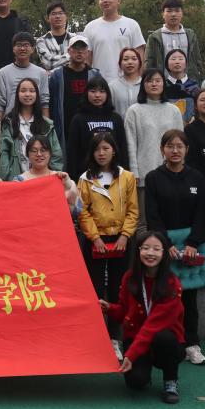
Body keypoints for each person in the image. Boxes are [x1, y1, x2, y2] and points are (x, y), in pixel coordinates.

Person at [144, 129, 205, 366]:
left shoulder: (197, 177)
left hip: (191, 245)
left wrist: (193, 243)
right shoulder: (153, 178)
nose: (175, 151)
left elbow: (201, 213)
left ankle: (192, 344)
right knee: (163, 296)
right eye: (170, 146)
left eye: (179, 146)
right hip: (163, 246)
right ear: (162, 149)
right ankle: (166, 343)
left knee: (189, 299)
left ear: (187, 150)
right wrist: (166, 244)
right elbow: (152, 215)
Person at [98, 229, 185, 404]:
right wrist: (109, 309)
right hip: (137, 336)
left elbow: (153, 326)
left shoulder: (172, 283)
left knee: (164, 338)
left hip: (163, 340)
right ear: (138, 251)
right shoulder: (129, 277)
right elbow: (124, 311)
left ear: (164, 253)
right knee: (136, 382)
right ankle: (145, 368)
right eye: (145, 248)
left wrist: (130, 355)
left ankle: (170, 381)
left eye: (156, 249)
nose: (150, 253)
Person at [77, 132, 138, 359]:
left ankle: (115, 338)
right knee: (93, 289)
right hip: (96, 241)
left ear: (114, 150)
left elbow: (133, 210)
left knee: (117, 290)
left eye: (105, 148)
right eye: (97, 149)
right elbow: (82, 212)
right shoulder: (85, 179)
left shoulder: (127, 177)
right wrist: (95, 238)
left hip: (121, 240)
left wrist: (125, 236)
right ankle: (93, 338)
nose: (101, 153)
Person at [124, 69, 184, 186]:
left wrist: (181, 167)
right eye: (149, 81)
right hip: (143, 173)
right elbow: (130, 144)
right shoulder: (134, 111)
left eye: (158, 80)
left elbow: (181, 143)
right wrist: (134, 171)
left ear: (164, 84)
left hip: (171, 172)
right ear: (143, 85)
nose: (154, 84)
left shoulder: (174, 110)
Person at [64, 75, 129, 182]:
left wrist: (125, 172)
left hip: (113, 174)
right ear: (86, 93)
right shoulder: (78, 119)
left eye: (102, 91)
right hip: (86, 175)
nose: (97, 95)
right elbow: (72, 151)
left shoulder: (115, 118)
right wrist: (73, 178)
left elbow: (122, 148)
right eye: (93, 91)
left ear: (107, 94)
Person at [0, 78, 62, 181]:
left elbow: (56, 154)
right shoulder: (8, 122)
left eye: (32, 91)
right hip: (16, 179)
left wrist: (53, 177)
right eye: (23, 91)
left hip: (42, 179)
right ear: (17, 94)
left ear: (37, 95)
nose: (27, 94)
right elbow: (4, 153)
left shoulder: (47, 124)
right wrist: (6, 178)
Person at [83, 0, 145, 82]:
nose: (105, 0)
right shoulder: (90, 27)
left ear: (118, 0)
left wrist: (139, 80)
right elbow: (87, 59)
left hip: (126, 82)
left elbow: (140, 55)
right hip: (99, 84)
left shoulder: (131, 24)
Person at [48, 33, 100, 146]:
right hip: (64, 129)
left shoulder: (95, 75)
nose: (79, 51)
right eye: (76, 48)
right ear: (69, 51)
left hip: (90, 128)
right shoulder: (57, 76)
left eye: (83, 48)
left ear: (87, 52)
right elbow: (50, 104)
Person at [144, 0, 204, 80]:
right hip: (163, 83)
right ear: (163, 14)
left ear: (182, 13)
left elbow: (198, 61)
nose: (173, 14)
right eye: (169, 11)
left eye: (177, 11)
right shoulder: (155, 37)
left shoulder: (191, 35)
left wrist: (200, 80)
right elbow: (149, 63)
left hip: (188, 84)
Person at [0, 32, 50, 119]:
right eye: (19, 45)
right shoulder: (3, 73)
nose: (22, 48)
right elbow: (0, 104)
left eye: (26, 45)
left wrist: (46, 124)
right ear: (13, 49)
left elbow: (44, 102)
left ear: (32, 49)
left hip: (35, 122)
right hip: (10, 121)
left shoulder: (42, 73)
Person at [17, 135, 79, 209]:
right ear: (27, 155)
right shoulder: (20, 180)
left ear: (50, 154)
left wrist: (68, 186)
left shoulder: (60, 178)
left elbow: (77, 209)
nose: (39, 154)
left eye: (43, 150)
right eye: (34, 151)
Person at [163, 48, 198, 124]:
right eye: (173, 59)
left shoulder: (194, 85)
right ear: (167, 64)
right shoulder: (163, 86)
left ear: (186, 64)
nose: (177, 62)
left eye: (180, 59)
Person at [37, 1, 73, 73]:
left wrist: (52, 71)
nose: (57, 16)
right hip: (53, 80)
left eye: (60, 13)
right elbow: (49, 63)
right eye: (54, 14)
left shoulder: (75, 38)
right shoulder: (41, 41)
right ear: (47, 18)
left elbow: (81, 60)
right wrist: (71, 56)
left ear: (66, 16)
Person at [110, 47, 142, 118]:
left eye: (134, 59)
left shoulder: (145, 85)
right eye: (125, 59)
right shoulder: (112, 86)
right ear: (120, 64)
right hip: (119, 124)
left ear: (139, 63)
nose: (130, 62)